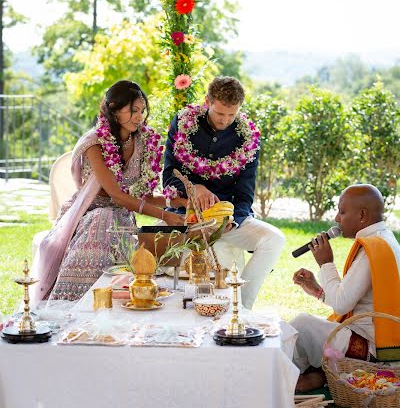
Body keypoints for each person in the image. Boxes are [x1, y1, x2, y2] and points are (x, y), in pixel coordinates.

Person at [31, 80, 185, 302]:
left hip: (121, 218)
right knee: (103, 219)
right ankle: (75, 303)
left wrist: (177, 204)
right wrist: (164, 216)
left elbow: (143, 195)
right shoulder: (95, 142)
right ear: (113, 108)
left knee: (117, 222)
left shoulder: (143, 141)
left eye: (142, 111)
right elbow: (116, 194)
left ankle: (125, 301)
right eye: (132, 110)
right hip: (89, 217)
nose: (139, 116)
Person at [163, 76, 285, 309]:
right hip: (187, 219)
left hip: (226, 223)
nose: (225, 120)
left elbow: (245, 193)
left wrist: (234, 221)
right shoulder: (183, 123)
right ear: (207, 101)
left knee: (274, 239)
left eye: (232, 115)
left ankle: (242, 308)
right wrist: (193, 188)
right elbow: (168, 176)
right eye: (220, 114)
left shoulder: (247, 136)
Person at [291, 184, 400, 392]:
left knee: (301, 325)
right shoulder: (383, 239)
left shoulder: (373, 248)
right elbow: (350, 298)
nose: (336, 219)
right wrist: (317, 290)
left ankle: (287, 376)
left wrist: (326, 263)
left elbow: (342, 305)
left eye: (342, 212)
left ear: (362, 215)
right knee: (307, 325)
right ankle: (316, 376)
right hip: (374, 341)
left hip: (371, 351)